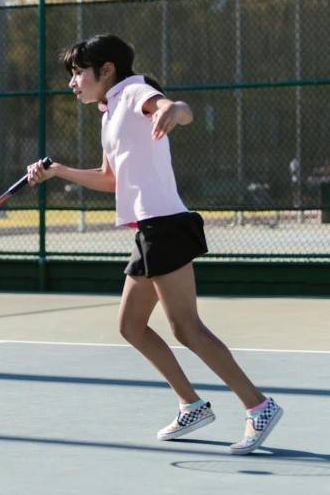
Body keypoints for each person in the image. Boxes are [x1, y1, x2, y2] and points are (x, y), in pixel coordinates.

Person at [26, 34, 282, 455]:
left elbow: (174, 108)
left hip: (165, 225)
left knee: (187, 328)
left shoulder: (132, 92)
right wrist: (59, 171)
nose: (72, 83)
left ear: (106, 70)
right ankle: (192, 404)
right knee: (130, 326)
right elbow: (110, 178)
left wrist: (171, 110)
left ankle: (259, 405)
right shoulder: (108, 113)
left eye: (77, 73)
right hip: (149, 229)